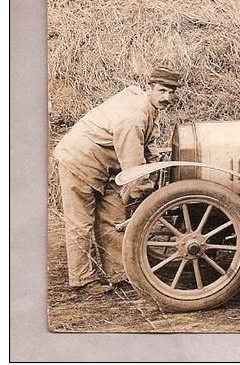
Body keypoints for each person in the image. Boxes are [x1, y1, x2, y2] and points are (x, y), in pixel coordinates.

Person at [53, 66, 181, 294]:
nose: (167, 98)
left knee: (114, 218)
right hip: (78, 161)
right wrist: (146, 192)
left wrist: (155, 160)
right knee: (81, 223)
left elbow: (144, 145)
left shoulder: (145, 106)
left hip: (107, 168)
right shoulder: (132, 117)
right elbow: (132, 165)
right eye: (162, 91)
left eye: (171, 93)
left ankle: (120, 274)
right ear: (150, 88)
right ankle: (83, 280)